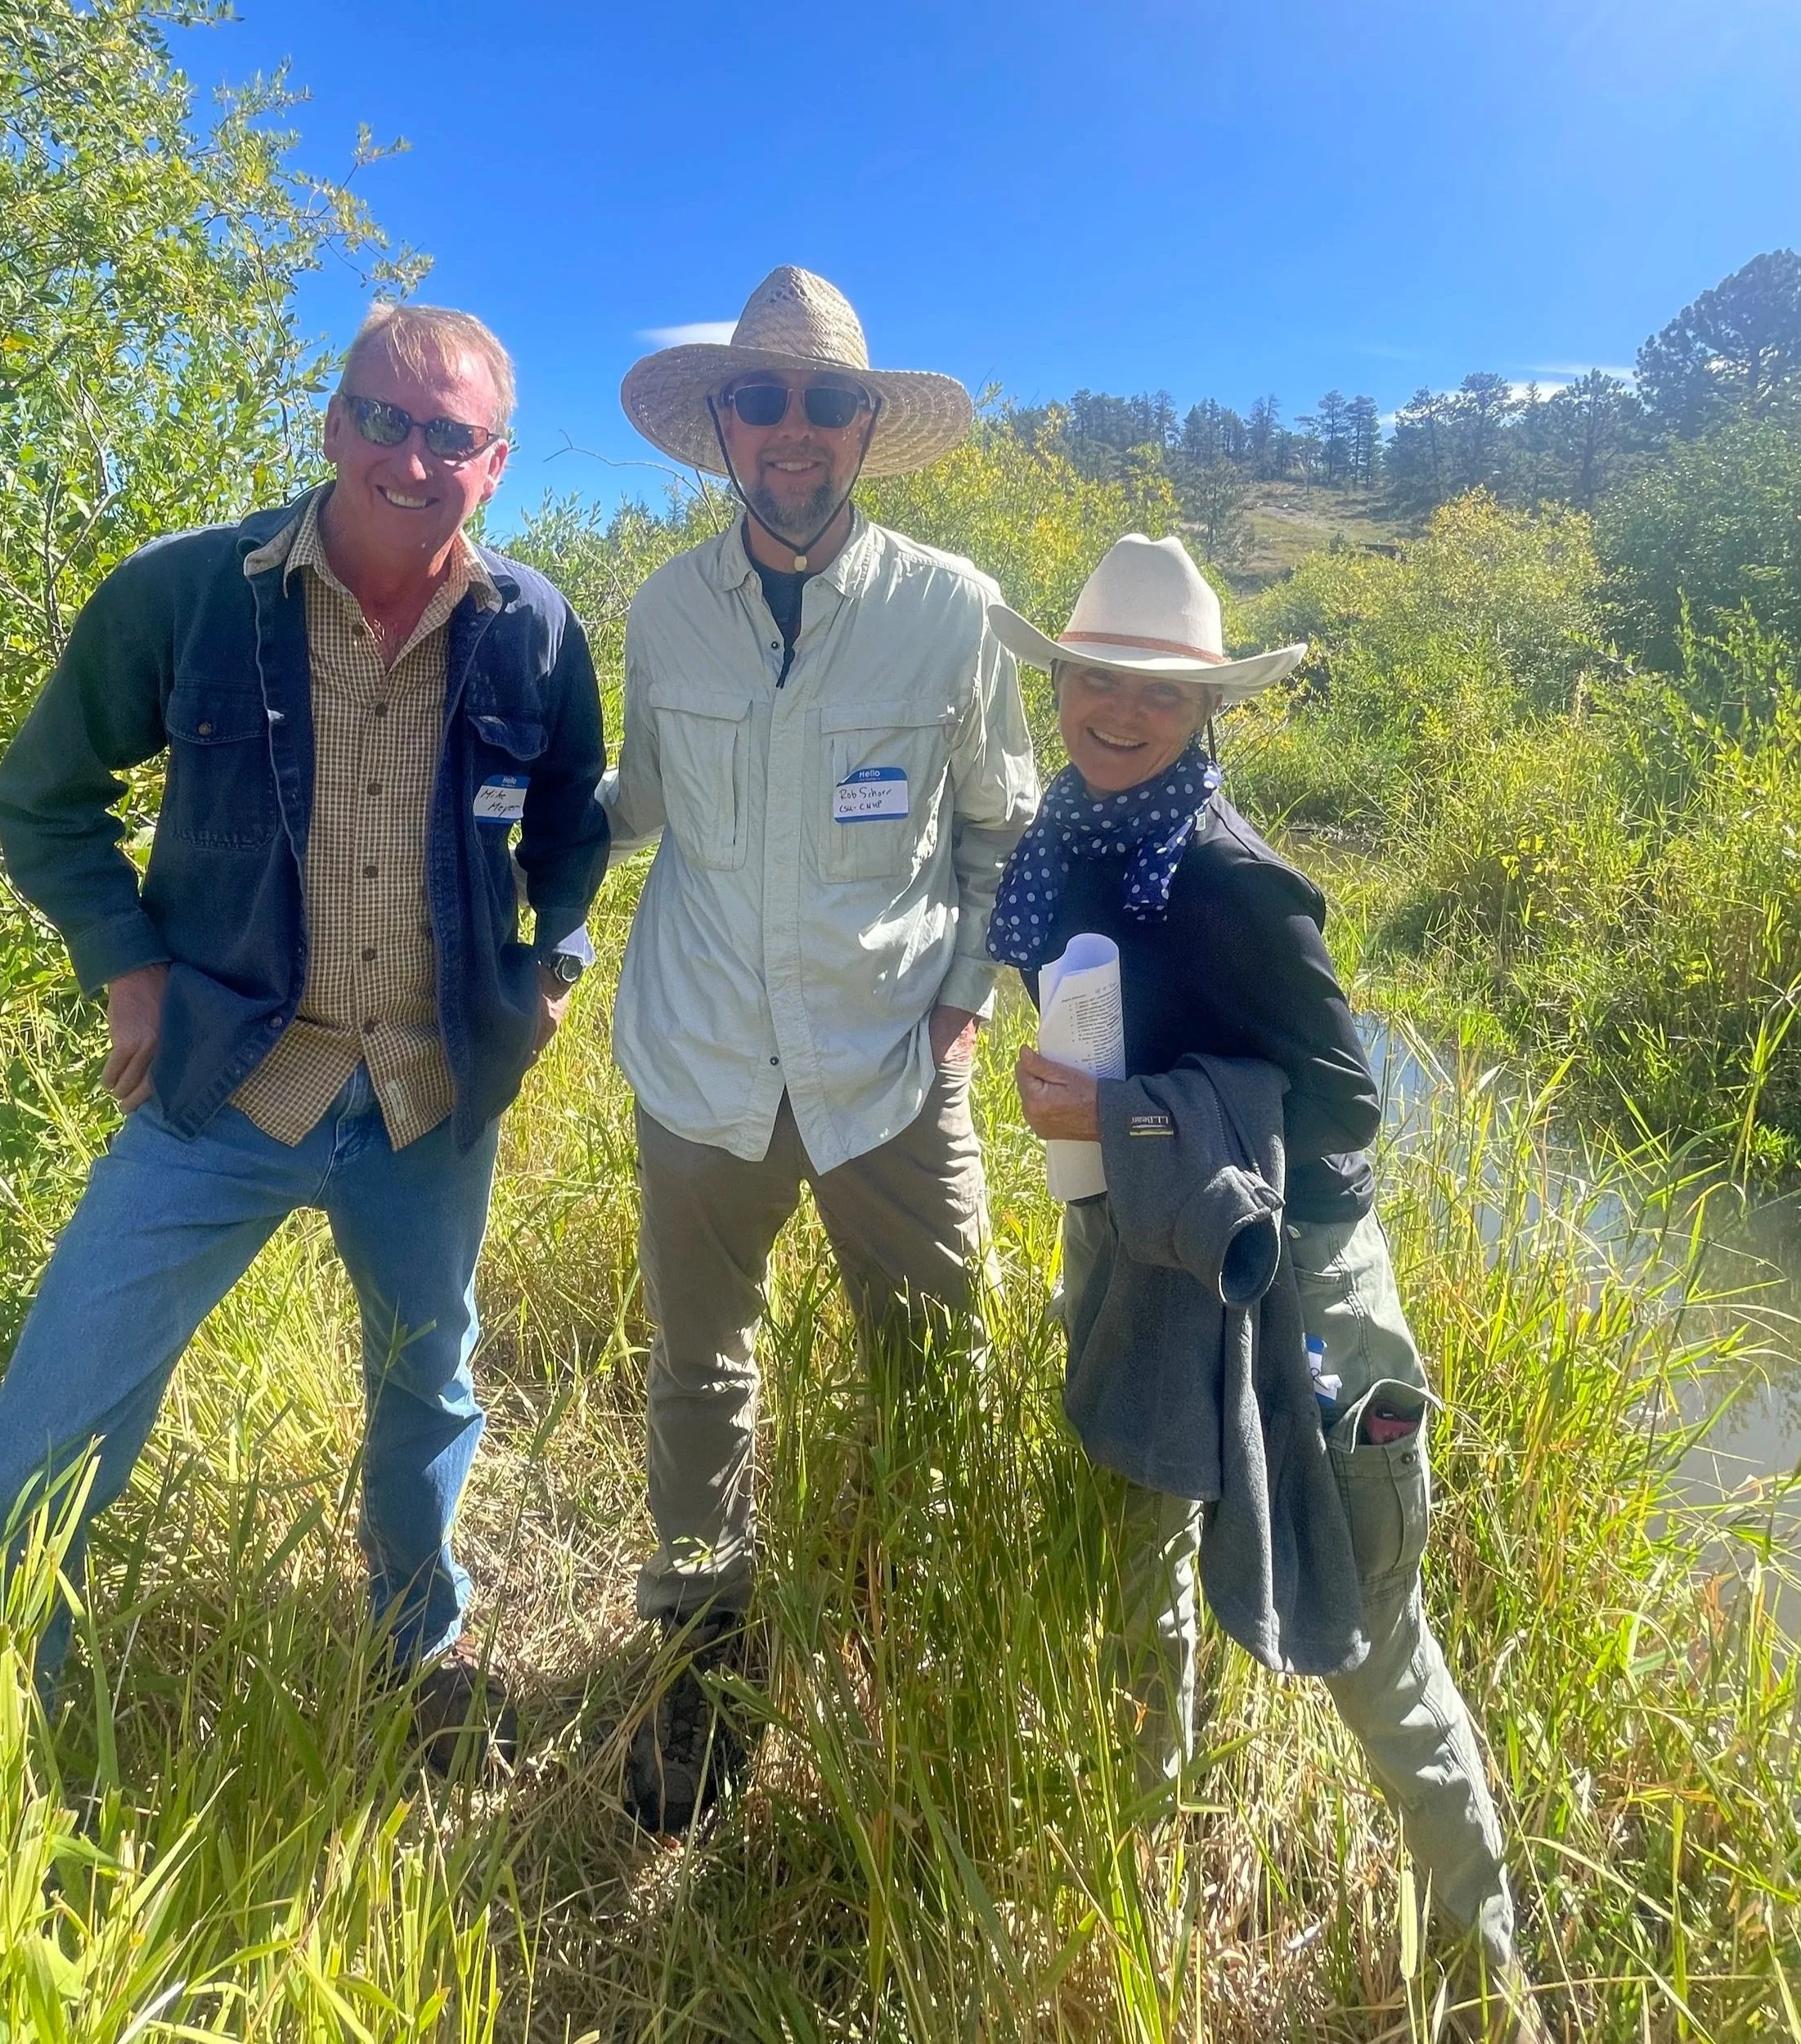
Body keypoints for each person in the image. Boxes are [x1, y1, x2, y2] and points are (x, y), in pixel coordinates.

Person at [0, 303, 609, 1772]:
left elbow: (571, 833)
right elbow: (42, 798)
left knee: (430, 1381)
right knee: (57, 1412)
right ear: (332, 421)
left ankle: (419, 1646)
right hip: (225, 1079)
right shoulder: (191, 597)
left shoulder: (531, 629)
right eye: (383, 419)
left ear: (496, 464)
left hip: (429, 1092)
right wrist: (131, 970)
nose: (410, 459)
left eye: (451, 438)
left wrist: (548, 978)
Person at [995, 534, 1538, 2030]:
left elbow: (1347, 1114)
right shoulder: (1074, 834)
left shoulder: (1238, 878)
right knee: (1137, 1572)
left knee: (1370, 1638)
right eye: (1094, 677)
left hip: (1297, 1295)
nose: (1116, 709)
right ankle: (1143, 1870)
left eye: (1155, 691)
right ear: (1064, 686)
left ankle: (1485, 1975)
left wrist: (1121, 1118)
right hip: (1142, 1257)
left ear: (1206, 707)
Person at [604, 267, 1039, 1833]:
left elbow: (1003, 827)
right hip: (701, 1051)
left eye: (826, 403)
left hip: (889, 1066)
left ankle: (907, 1613)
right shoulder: (661, 608)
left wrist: (972, 993)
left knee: (936, 1361)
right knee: (699, 1364)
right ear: (721, 423)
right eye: (763, 400)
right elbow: (632, 803)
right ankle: (703, 1650)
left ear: (866, 427)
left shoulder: (955, 606)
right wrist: (475, 824)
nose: (793, 432)